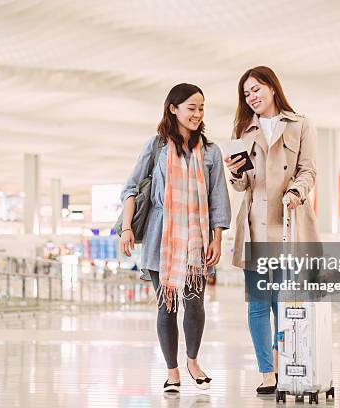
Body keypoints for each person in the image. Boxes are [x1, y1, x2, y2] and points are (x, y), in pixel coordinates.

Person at [120, 83, 231, 393]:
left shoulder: (210, 152)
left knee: (195, 305)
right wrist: (127, 228)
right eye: (191, 108)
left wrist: (217, 238)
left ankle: (192, 360)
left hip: (196, 240)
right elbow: (131, 188)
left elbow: (218, 199)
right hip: (160, 237)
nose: (197, 114)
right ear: (173, 109)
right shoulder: (155, 147)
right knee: (166, 306)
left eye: (201, 109)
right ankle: (172, 372)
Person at [224, 66, 320, 395]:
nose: (252, 97)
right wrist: (235, 173)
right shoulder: (242, 132)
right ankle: (267, 372)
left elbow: (308, 169)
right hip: (255, 224)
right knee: (258, 303)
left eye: (256, 89)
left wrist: (297, 191)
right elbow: (241, 186)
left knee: (285, 301)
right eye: (246, 93)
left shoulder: (300, 125)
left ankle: (288, 363)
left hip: (290, 222)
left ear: (272, 88)